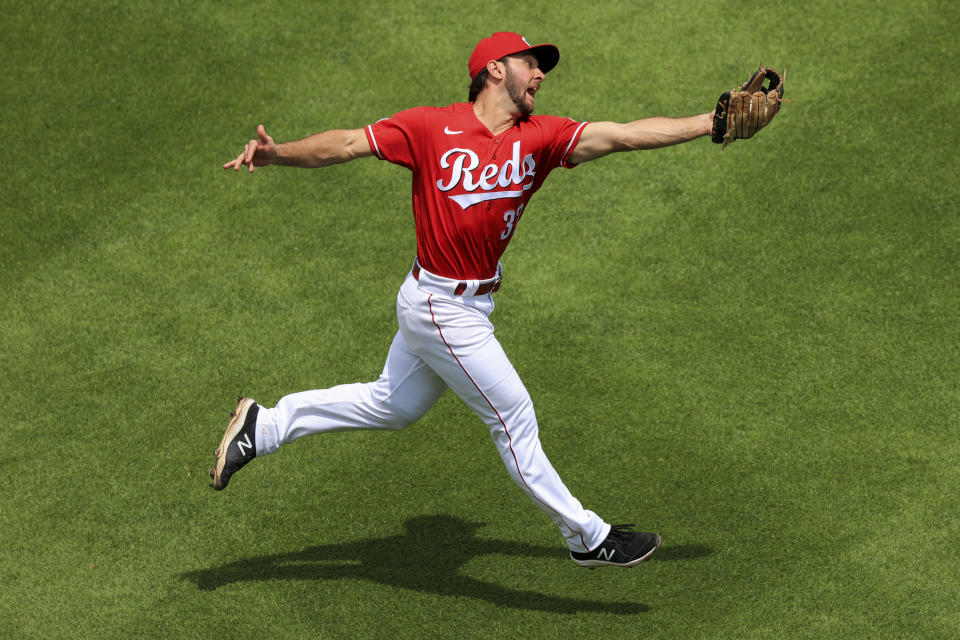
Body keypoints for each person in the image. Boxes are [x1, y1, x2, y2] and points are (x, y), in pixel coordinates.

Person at [213, 31, 714, 568]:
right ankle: (589, 538)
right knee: (513, 416)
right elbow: (346, 144)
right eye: (531, 63)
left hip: (466, 305)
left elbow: (626, 135)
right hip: (439, 305)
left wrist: (711, 122)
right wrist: (275, 155)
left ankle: (264, 425)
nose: (541, 74)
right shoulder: (430, 127)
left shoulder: (542, 136)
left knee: (393, 404)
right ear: (495, 70)